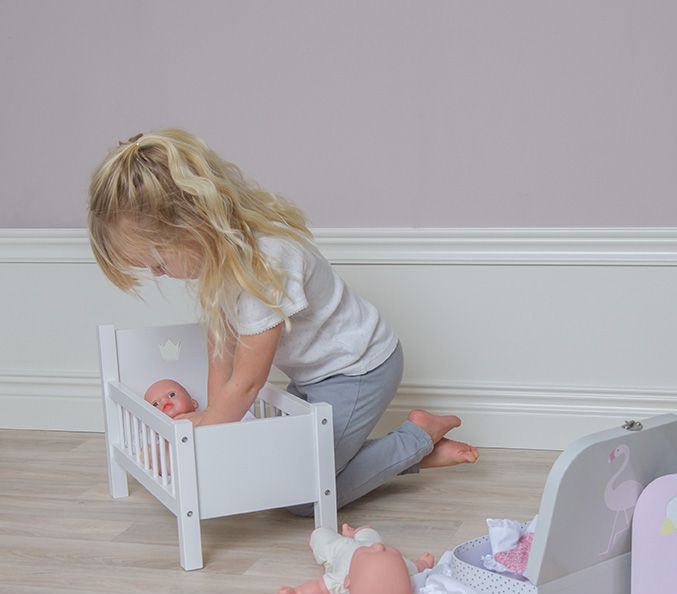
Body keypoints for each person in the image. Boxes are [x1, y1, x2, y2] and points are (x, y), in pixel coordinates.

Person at [88, 128, 478, 513]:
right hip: (315, 375)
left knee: (303, 496)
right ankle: (403, 452)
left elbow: (247, 383)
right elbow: (221, 344)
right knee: (280, 465)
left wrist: (201, 444)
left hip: (359, 370)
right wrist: (211, 414)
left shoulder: (264, 265)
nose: (157, 274)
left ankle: (416, 438)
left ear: (191, 228)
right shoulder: (219, 258)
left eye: (158, 263)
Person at [278, 523, 436, 594]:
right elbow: (416, 567)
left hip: (339, 549)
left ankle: (334, 536)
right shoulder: (402, 566)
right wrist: (423, 564)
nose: (380, 548)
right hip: (368, 542)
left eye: (370, 554)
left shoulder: (341, 579)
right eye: (385, 551)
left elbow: (320, 589)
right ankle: (356, 531)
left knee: (320, 535)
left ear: (348, 581)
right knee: (370, 532)